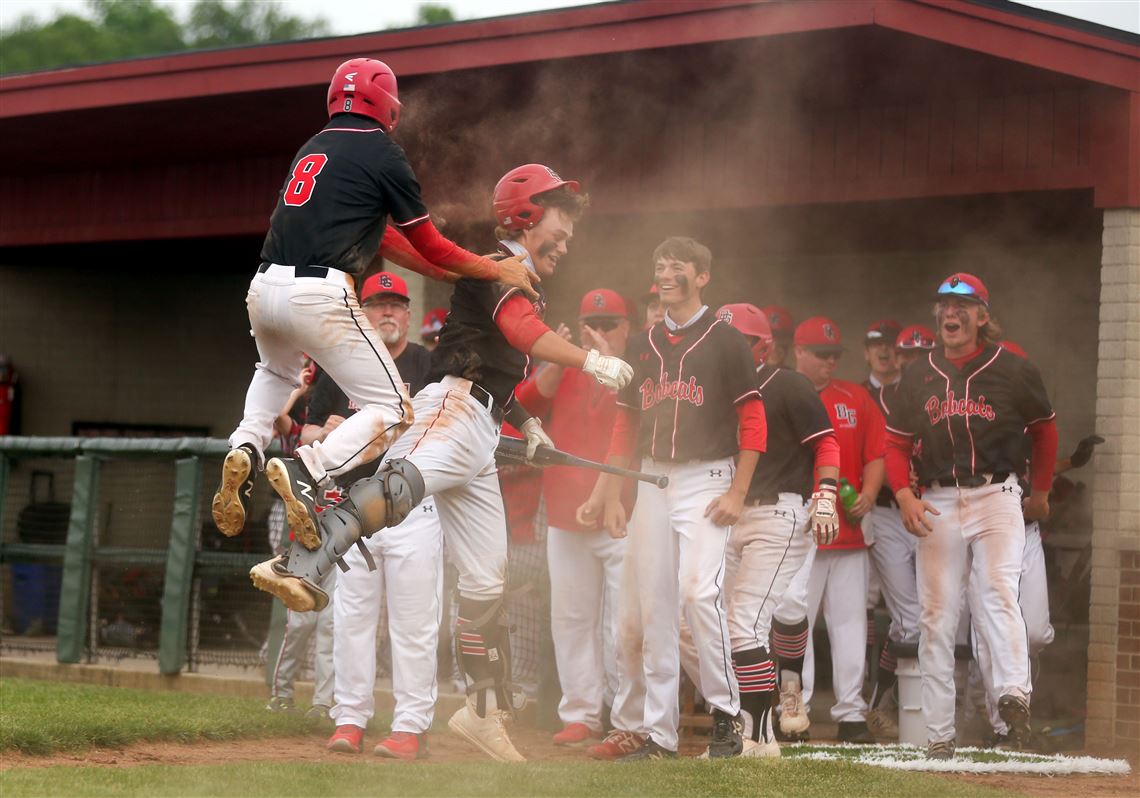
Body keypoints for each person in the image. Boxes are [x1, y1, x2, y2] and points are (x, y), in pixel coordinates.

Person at [252, 164, 633, 763]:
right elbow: (521, 330)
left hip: (479, 421)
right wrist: (591, 360)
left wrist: (528, 424)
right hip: (452, 406)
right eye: (561, 217)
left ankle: (481, 711)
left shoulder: (520, 270)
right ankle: (300, 559)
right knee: (399, 485)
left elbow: (501, 367)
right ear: (527, 213)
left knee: (486, 583)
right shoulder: (501, 263)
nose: (569, 235)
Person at [210, 57, 537, 549]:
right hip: (319, 290)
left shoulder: (312, 146)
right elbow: (426, 240)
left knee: (275, 373)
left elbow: (387, 237)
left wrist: (453, 270)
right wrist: (491, 267)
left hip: (264, 285)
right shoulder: (383, 153)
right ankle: (307, 472)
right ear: (388, 106)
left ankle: (245, 447)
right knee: (394, 406)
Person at [578, 236, 764, 761]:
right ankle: (660, 735)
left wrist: (738, 490)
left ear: (702, 276)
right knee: (653, 606)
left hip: (707, 477)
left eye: (676, 265)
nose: (664, 272)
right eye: (659, 264)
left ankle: (729, 717)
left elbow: (753, 420)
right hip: (654, 479)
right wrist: (613, 492)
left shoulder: (727, 341)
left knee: (697, 593)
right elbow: (626, 424)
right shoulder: (643, 343)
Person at [885, 273, 1057, 760]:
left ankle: (1013, 701)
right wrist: (904, 495)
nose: (950, 313)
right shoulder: (918, 376)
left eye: (963, 305)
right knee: (937, 617)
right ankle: (939, 734)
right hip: (938, 498)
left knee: (996, 593)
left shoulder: (1013, 368)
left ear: (983, 315)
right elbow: (895, 444)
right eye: (943, 304)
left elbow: (1045, 430)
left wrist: (1040, 492)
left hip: (997, 493)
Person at [306, 272, 442, 760]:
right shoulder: (339, 366)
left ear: (408, 314)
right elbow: (306, 438)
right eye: (377, 304)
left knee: (413, 621)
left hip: (411, 508)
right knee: (352, 619)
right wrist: (324, 430)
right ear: (361, 313)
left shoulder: (429, 364)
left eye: (396, 305)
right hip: (351, 509)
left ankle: (410, 726)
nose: (388, 312)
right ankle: (349, 719)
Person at [712, 303, 841, 757]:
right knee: (720, 628)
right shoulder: (715, 389)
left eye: (742, 340)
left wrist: (826, 492)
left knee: (746, 624)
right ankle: (740, 728)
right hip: (729, 515)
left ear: (763, 345)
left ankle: (759, 736)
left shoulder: (787, 383)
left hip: (778, 513)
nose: (732, 348)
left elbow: (826, 440)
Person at [514, 288, 634, 748]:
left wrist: (603, 359)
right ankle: (581, 714)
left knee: (622, 623)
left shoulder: (636, 366)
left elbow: (630, 412)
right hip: (564, 511)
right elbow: (522, 406)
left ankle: (625, 716)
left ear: (626, 327)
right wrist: (563, 358)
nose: (600, 333)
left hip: (620, 513)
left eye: (609, 325)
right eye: (592, 325)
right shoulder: (564, 370)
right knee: (571, 617)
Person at [770, 317, 885, 745]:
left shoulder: (855, 397)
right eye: (821, 354)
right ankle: (791, 710)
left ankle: (851, 713)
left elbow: (877, 453)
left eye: (835, 355)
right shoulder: (780, 391)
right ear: (799, 351)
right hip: (800, 527)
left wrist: (870, 494)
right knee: (793, 617)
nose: (829, 362)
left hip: (849, 531)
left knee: (851, 624)